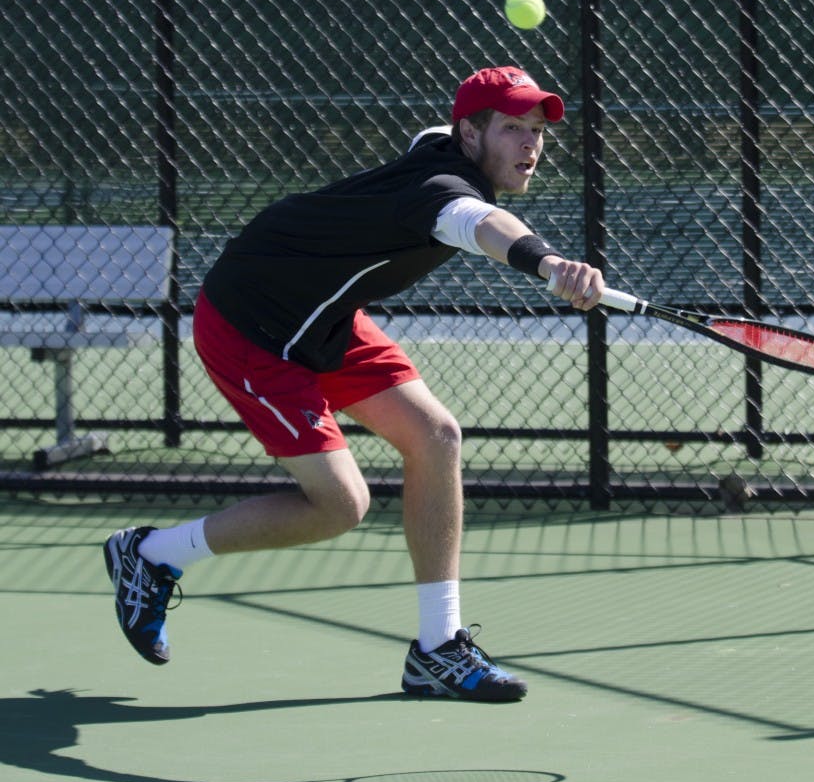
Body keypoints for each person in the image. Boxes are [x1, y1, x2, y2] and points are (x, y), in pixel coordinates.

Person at [103, 66, 604, 702]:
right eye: (511, 128)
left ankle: (437, 650)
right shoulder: (444, 191)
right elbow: (479, 224)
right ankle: (152, 553)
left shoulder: (440, 145)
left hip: (323, 313)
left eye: (536, 131)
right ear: (470, 133)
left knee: (436, 435)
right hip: (251, 323)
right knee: (341, 506)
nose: (530, 145)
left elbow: (444, 157)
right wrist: (549, 261)